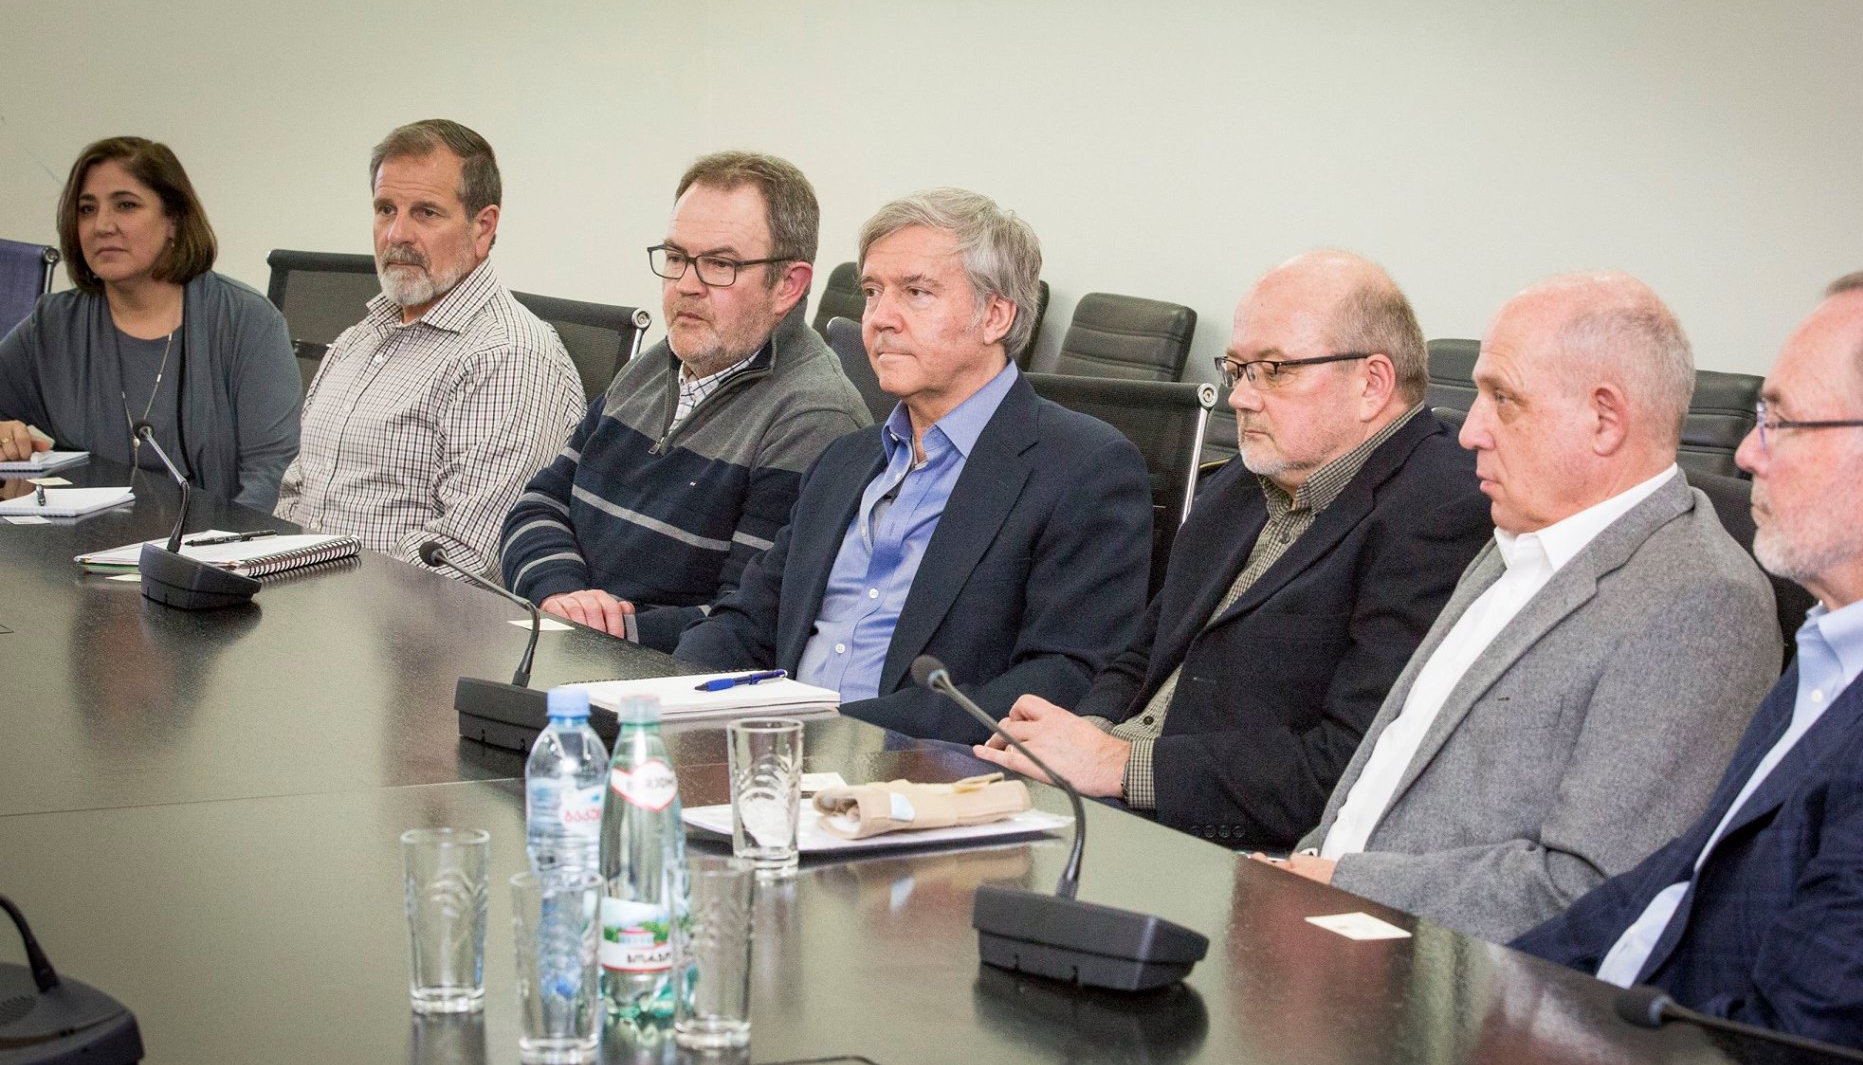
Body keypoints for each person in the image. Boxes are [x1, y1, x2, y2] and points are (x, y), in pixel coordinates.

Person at [1514, 268, 1863, 1065]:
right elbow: (1679, 878)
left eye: (1781, 422)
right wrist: (1485, 988)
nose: (1745, 454)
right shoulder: (1856, 631)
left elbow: (1788, 1055)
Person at [1265, 272, 1780, 943]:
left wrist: (1339, 882)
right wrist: (1299, 874)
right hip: (1320, 918)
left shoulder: (1701, 601)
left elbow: (1593, 889)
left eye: (1503, 398)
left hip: (1436, 976)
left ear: (1604, 421)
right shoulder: (1519, 535)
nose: (1471, 431)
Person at [968, 250, 1492, 849]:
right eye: (1238, 369)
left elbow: (1351, 762)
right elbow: (1144, 652)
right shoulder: (1246, 479)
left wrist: (1117, 765)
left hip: (1221, 846)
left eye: (1273, 370)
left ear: (1372, 384)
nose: (1240, 397)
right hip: (1107, 802)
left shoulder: (1443, 512)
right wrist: (1075, 741)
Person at [671, 188, 1152, 743]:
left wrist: (841, 735)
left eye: (916, 293)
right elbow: (750, 620)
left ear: (995, 316)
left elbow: (1063, 677)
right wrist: (676, 694)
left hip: (917, 771)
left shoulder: (1086, 468)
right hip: (773, 752)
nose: (879, 319)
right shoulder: (844, 461)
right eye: (872, 292)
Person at [498, 152, 868, 650]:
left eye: (720, 264)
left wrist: (597, 630)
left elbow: (747, 622)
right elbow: (539, 504)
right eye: (676, 258)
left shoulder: (813, 417)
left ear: (788, 286)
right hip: (562, 639)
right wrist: (561, 593)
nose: (686, 286)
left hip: (655, 677)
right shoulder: (659, 362)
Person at [273, 119, 583, 572]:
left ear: (483, 227)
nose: (396, 234)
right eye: (385, 209)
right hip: (296, 591)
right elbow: (294, 496)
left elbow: (466, 558)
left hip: (393, 612)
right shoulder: (359, 338)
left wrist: (317, 595)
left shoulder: (509, 356)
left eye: (426, 213)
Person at [0, 137, 299, 507]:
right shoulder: (53, 326)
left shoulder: (247, 322)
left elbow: (274, 477)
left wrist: (220, 543)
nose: (102, 225)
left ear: (173, 219)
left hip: (217, 540)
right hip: (80, 541)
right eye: (87, 209)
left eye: (125, 205)